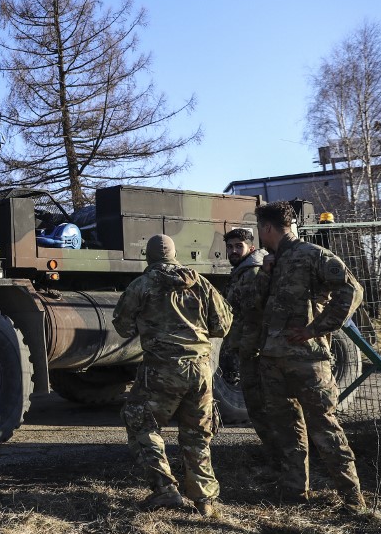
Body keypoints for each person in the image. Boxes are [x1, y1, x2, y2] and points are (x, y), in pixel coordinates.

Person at [253, 201, 366, 511]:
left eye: (260, 228)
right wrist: (264, 274)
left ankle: (353, 499)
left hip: (307, 361)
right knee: (288, 431)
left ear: (267, 228)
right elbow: (256, 305)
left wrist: (317, 328)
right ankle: (293, 495)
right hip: (274, 360)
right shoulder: (274, 261)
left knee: (325, 428)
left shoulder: (312, 254)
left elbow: (352, 291)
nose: (259, 235)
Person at [114, 234, 233, 517]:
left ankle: (165, 490)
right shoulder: (202, 283)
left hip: (162, 368)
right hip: (201, 370)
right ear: (175, 254)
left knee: (141, 421)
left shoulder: (141, 285)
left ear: (149, 256)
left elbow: (122, 327)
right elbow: (223, 326)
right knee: (197, 434)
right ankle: (205, 501)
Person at [222, 228, 279, 466]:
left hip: (255, 349)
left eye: (239, 246)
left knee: (261, 406)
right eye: (231, 247)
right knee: (258, 406)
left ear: (251, 248)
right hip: (248, 347)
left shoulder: (253, 271)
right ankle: (276, 456)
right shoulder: (243, 270)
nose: (234, 251)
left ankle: (279, 458)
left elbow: (254, 311)